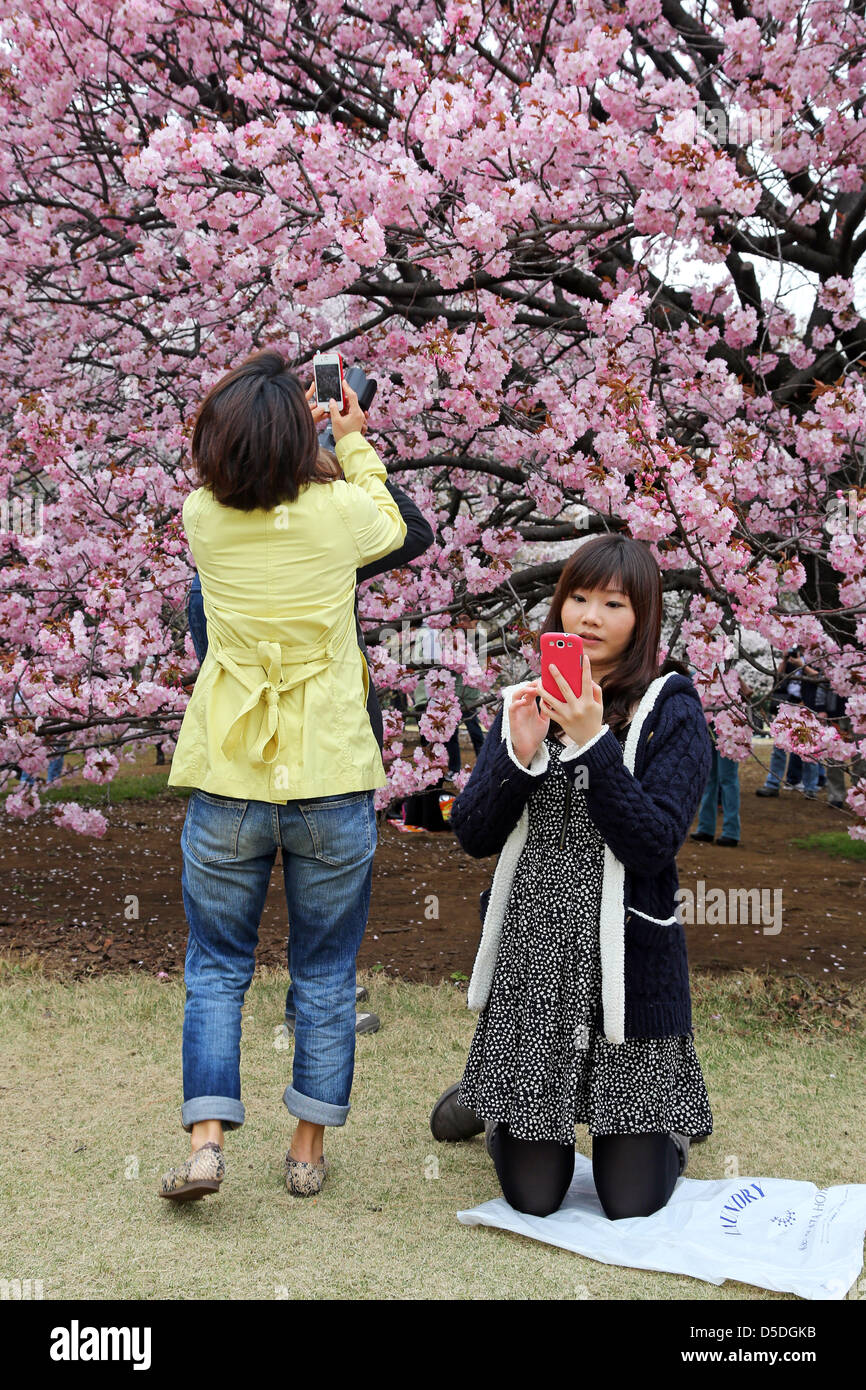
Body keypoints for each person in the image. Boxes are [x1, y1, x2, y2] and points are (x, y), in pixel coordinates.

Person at [160, 350, 407, 1202]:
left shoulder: (201, 517)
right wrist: (349, 436)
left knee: (217, 965)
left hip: (230, 774)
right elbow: (395, 525)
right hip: (329, 776)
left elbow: (250, 488)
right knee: (327, 971)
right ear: (301, 436)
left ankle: (204, 1143)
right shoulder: (341, 513)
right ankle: (306, 1152)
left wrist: (284, 427)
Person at [431, 533, 714, 1220]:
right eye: (577, 600)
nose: (588, 618)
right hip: (536, 954)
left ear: (641, 617)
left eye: (612, 604)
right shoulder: (526, 702)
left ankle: (660, 1126)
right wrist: (517, 756)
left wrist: (593, 744)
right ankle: (494, 1099)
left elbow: (651, 844)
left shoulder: (671, 709)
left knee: (631, 1204)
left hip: (630, 963)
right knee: (533, 1199)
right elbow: (472, 832)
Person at [186, 452, 435, 1036]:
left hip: (240, 761)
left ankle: (211, 1122)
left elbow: (215, 673)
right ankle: (321, 998)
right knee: (325, 927)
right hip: (327, 746)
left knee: (222, 958)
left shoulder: (211, 559)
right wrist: (348, 449)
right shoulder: (334, 533)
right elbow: (413, 531)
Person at [690, 667, 754, 847]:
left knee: (727, 779)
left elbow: (747, 693)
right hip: (708, 725)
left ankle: (731, 831)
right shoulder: (698, 671)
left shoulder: (729, 670)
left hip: (729, 728)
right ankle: (706, 828)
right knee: (709, 778)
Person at [756, 647, 822, 797]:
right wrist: (785, 660)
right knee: (779, 748)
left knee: (808, 749)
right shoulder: (790, 661)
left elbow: (819, 678)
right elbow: (778, 677)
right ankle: (772, 784)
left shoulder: (816, 658)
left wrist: (802, 666)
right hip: (787, 706)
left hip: (807, 707)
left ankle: (811, 788)